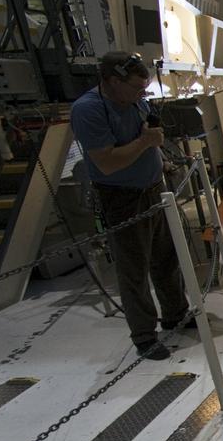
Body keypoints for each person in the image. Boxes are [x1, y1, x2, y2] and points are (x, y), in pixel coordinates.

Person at [71, 51, 192, 360]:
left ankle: (176, 313)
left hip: (154, 190)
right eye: (137, 88)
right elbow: (107, 162)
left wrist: (161, 160)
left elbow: (146, 139)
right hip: (122, 199)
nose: (142, 95)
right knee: (134, 271)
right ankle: (144, 336)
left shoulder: (135, 102)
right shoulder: (89, 110)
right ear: (113, 81)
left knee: (166, 258)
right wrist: (146, 143)